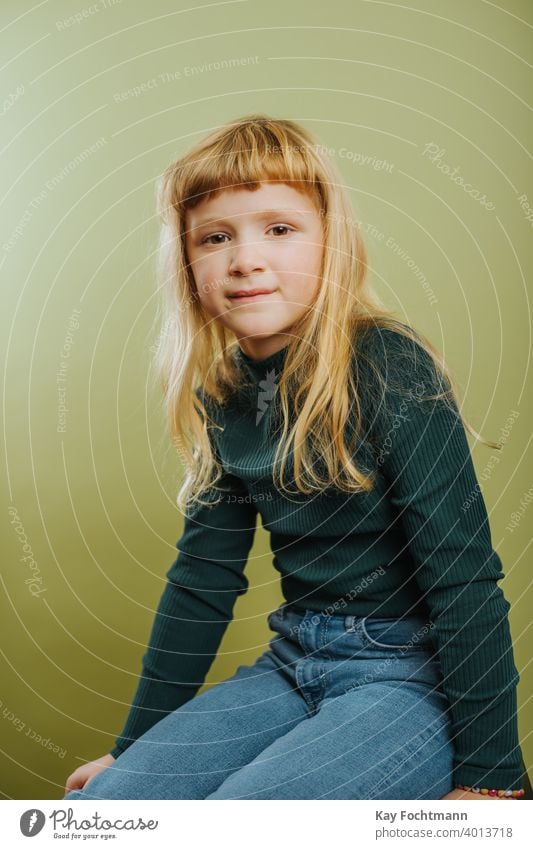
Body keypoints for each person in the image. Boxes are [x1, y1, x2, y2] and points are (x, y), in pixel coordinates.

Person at [63, 114, 525, 800]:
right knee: (105, 807)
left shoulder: (387, 365)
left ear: (330, 243)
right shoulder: (224, 393)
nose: (245, 258)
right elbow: (202, 580)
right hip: (294, 660)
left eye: (278, 229)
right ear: (188, 265)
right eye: (216, 237)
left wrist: (492, 777)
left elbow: (461, 579)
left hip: (404, 673)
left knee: (239, 822)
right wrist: (130, 752)